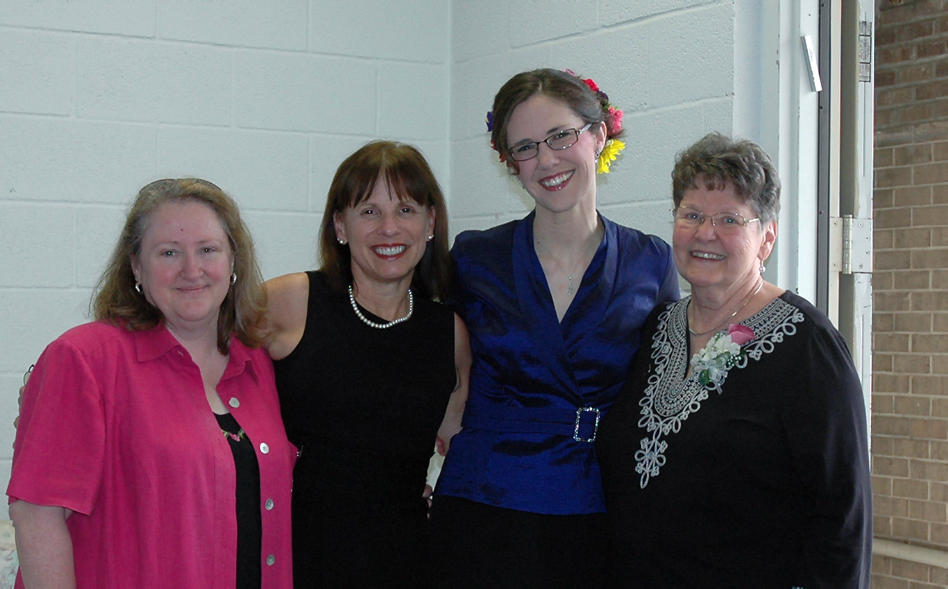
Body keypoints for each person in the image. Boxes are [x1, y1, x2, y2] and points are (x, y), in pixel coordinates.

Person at [430, 68, 680, 587]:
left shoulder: (650, 260)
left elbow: (660, 391)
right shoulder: (475, 258)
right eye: (525, 147)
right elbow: (433, 361)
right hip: (485, 504)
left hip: (599, 506)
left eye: (561, 136)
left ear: (598, 136)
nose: (546, 160)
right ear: (511, 164)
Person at [596, 133, 872, 586]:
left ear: (766, 237)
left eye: (729, 219)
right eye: (692, 215)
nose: (706, 233)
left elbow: (844, 518)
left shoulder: (808, 348)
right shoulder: (654, 328)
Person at [8, 178, 296, 588]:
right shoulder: (84, 360)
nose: (191, 270)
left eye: (208, 250)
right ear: (136, 266)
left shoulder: (258, 364)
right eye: (169, 253)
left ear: (233, 262)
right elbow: (36, 515)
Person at [263, 141, 469, 587]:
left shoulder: (449, 332)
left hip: (405, 557)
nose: (389, 229)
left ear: (431, 222)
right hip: (299, 553)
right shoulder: (292, 302)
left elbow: (462, 446)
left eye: (407, 210)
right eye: (369, 212)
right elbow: (198, 360)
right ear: (340, 225)